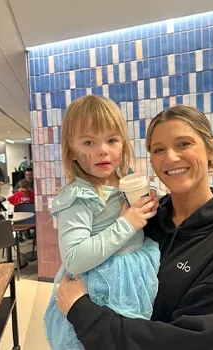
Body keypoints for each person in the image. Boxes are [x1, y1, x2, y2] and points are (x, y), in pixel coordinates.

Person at [54, 105, 213, 350]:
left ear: (211, 149)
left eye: (183, 144)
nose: (171, 158)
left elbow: (192, 342)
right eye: (158, 149)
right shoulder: (148, 219)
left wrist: (81, 311)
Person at [42, 95, 160, 350]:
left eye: (111, 140)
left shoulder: (124, 182)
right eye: (88, 142)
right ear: (72, 150)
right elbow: (73, 258)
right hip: (98, 292)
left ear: (123, 144)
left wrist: (146, 206)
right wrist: (127, 223)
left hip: (132, 280)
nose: (102, 150)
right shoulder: (79, 196)